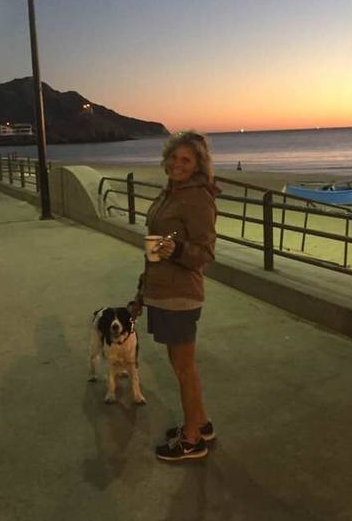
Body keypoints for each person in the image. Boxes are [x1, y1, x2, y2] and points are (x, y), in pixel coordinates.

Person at [134, 131, 219, 461]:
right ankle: (201, 423)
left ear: (197, 165)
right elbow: (155, 243)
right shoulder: (171, 192)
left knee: (184, 369)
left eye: (186, 160)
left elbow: (206, 252)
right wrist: (143, 287)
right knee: (181, 366)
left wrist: (178, 249)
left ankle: (192, 439)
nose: (177, 164)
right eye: (174, 157)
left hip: (180, 294)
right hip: (161, 288)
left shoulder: (197, 198)